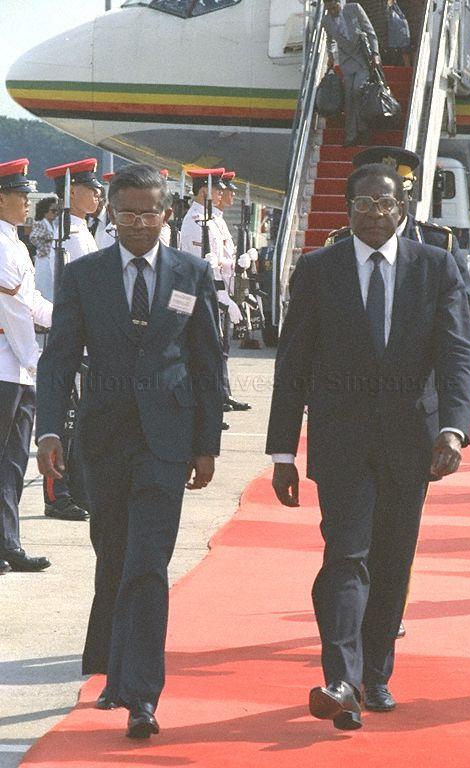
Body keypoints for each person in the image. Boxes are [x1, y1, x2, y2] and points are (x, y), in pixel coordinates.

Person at [266, 163, 470, 730]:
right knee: (345, 556)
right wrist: (282, 450)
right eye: (362, 204)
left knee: (390, 561)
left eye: (383, 204)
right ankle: (341, 678)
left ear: (401, 207)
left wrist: (453, 427)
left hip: (413, 439)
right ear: (348, 207)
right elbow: (293, 364)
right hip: (340, 441)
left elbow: (458, 352)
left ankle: (376, 674)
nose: (373, 214)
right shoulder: (317, 270)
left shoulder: (436, 266)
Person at [36, 163, 224, 739]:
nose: (140, 222)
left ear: (167, 214)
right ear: (111, 217)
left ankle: (142, 693)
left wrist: (206, 443)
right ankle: (114, 672)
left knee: (148, 562)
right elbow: (60, 356)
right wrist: (48, 430)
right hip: (104, 437)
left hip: (167, 441)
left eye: (150, 212)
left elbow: (208, 362)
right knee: (113, 554)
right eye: (127, 213)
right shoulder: (84, 274)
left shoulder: (192, 273)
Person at [326, 145, 470, 392]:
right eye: (370, 199)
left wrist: (464, 390)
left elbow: (467, 323)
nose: (380, 211)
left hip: (419, 396)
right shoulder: (339, 246)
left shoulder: (438, 245)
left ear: (406, 197)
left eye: (390, 199)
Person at [41, 159, 104, 522]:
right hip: (69, 335)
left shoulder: (82, 232)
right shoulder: (65, 234)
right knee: (64, 419)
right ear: (70, 192)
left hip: (84, 336)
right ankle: (57, 493)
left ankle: (75, 488)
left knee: (78, 420)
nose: (97, 194)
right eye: (89, 188)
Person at [0, 159, 53, 574]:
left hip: (18, 368)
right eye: (21, 196)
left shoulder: (16, 243)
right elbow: (14, 312)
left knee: (14, 461)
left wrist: (70, 317)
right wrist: (34, 360)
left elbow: (34, 303)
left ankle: (8, 544)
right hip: (7, 363)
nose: (27, 203)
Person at [180, 168, 244, 428]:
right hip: (202, 295)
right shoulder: (196, 222)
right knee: (204, 354)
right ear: (204, 190)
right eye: (217, 189)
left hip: (216, 292)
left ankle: (215, 402)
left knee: (215, 352)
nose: (221, 193)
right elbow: (202, 268)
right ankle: (206, 408)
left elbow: (219, 261)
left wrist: (236, 264)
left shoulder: (210, 220)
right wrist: (222, 297)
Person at [323, 0, 381, 146]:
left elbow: (370, 30)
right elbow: (330, 41)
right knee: (348, 98)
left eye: (334, 7)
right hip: (346, 62)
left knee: (357, 89)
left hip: (362, 59)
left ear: (339, 3)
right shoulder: (326, 20)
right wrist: (331, 56)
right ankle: (351, 135)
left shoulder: (354, 9)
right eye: (329, 9)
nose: (332, 11)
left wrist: (375, 53)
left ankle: (363, 128)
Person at [216, 171, 251, 412]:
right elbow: (210, 264)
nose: (230, 193)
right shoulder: (201, 222)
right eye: (226, 189)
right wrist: (223, 297)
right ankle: (218, 395)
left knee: (224, 348)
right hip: (216, 293)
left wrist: (243, 258)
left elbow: (225, 258)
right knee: (217, 349)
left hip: (226, 290)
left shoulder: (217, 220)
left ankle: (224, 393)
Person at [29, 196, 58, 301]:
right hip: (43, 260)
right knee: (44, 288)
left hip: (50, 259)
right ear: (45, 211)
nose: (56, 214)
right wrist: (45, 250)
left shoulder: (53, 224)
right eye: (53, 211)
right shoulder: (41, 223)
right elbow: (34, 237)